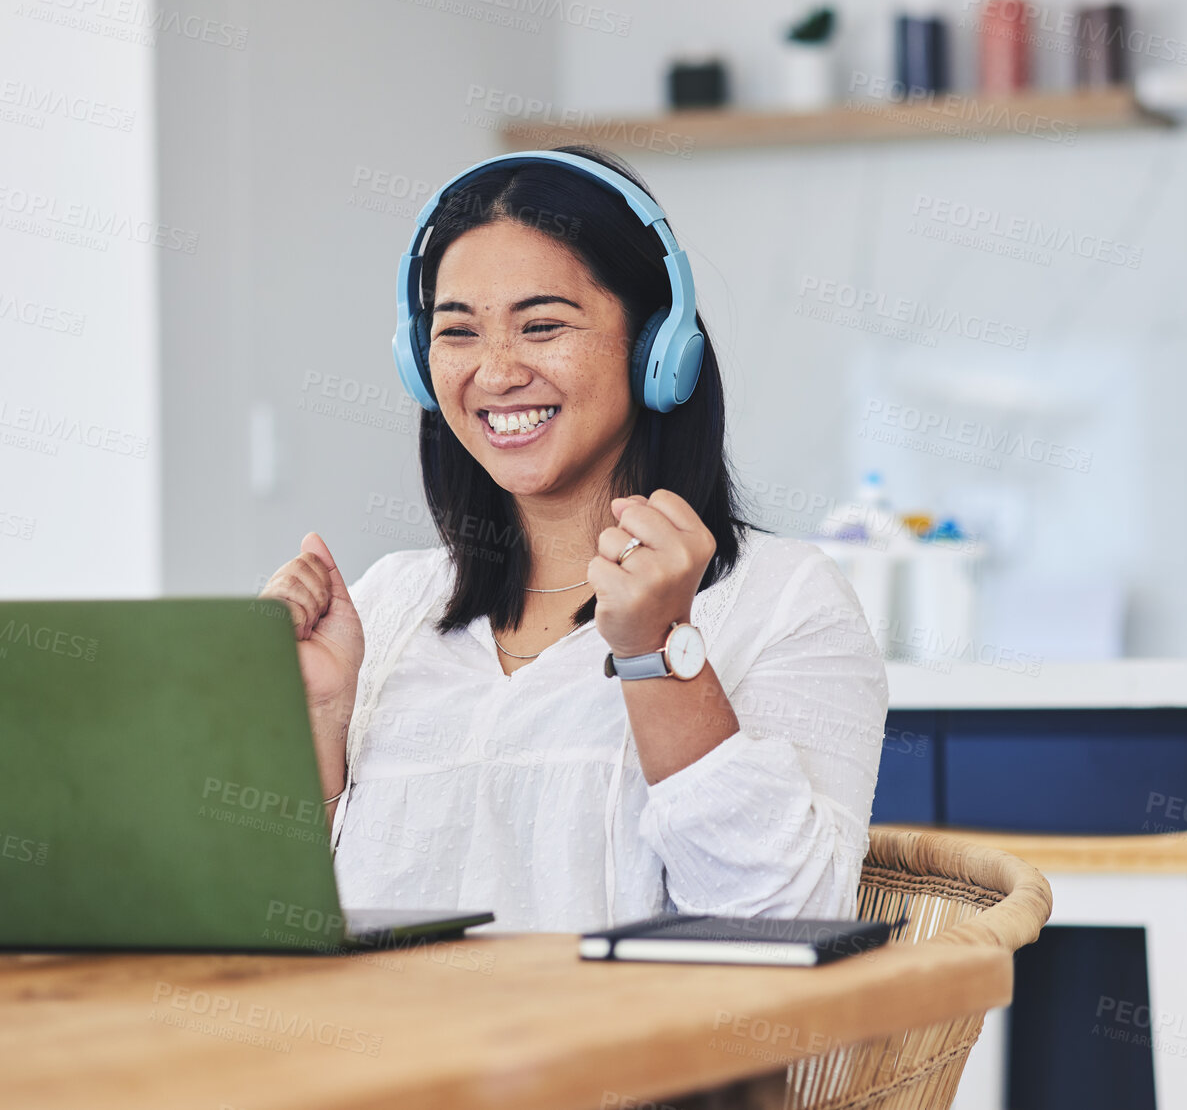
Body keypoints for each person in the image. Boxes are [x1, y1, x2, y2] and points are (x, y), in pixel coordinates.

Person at [258, 145, 888, 932]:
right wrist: (316, 716)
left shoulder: (781, 598)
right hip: (381, 1053)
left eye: (542, 325)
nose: (494, 373)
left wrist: (660, 653)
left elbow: (783, 924)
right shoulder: (384, 605)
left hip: (622, 1057)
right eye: (458, 332)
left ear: (658, 347)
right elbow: (269, 925)